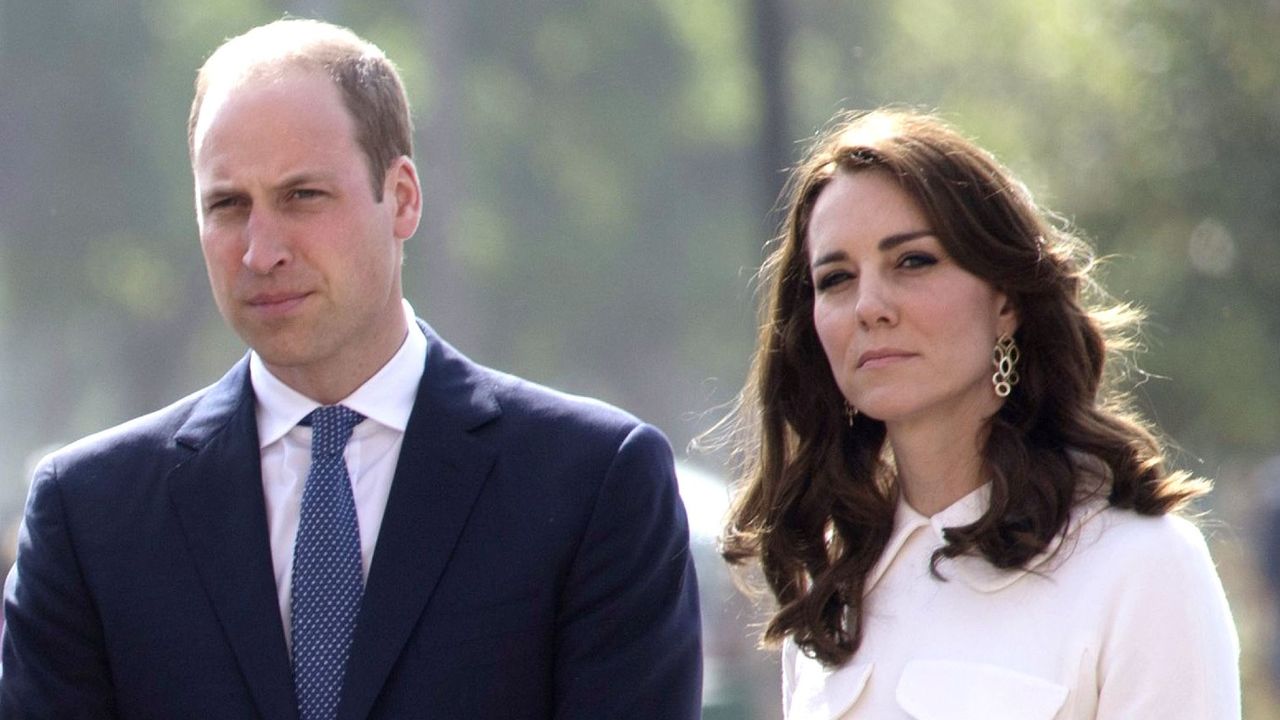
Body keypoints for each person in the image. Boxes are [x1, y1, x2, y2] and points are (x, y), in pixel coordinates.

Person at [0, 18, 701, 720]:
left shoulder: (591, 482)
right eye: (227, 205)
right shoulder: (90, 513)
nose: (260, 249)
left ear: (401, 198)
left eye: (302, 196)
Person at [716, 108, 1239, 718]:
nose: (870, 306)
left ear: (1007, 301)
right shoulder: (832, 583)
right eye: (835, 278)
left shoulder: (1140, 567)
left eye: (913, 261)